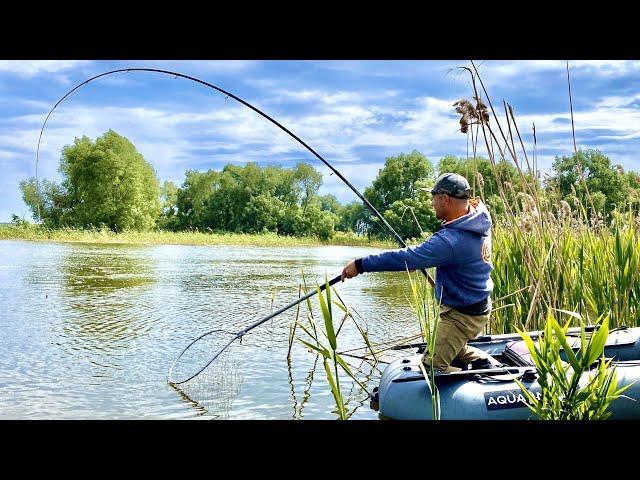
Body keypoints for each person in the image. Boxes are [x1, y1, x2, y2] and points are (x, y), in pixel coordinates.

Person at [341, 172, 496, 372]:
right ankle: (482, 361)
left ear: (445, 199)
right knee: (453, 348)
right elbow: (457, 259)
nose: (432, 203)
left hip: (463, 316)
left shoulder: (451, 241)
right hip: (476, 306)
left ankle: (483, 372)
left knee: (431, 370)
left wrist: (360, 265)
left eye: (433, 198)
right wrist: (428, 264)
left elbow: (407, 256)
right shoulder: (478, 216)